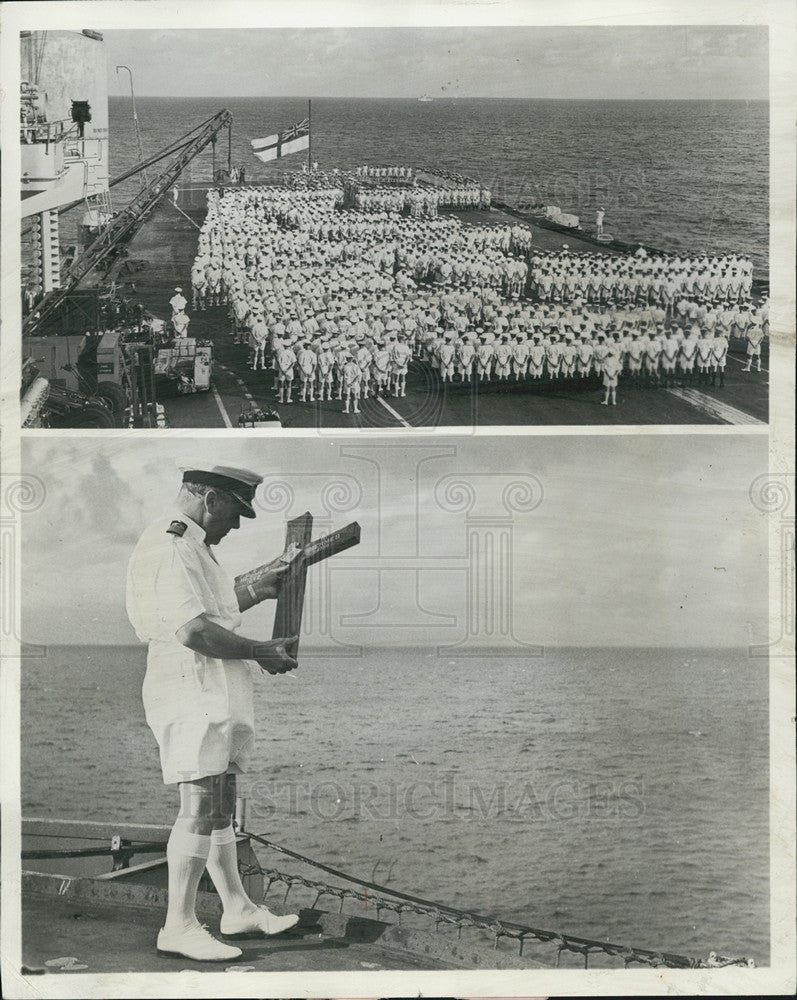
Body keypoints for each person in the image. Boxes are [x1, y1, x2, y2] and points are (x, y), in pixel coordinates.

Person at [126, 462, 302, 962]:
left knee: (220, 802)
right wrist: (260, 651)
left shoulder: (193, 547)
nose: (238, 524)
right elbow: (192, 632)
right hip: (191, 685)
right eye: (236, 512)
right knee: (200, 805)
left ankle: (238, 909)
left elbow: (211, 612)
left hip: (212, 685)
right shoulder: (173, 544)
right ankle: (178, 927)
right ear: (208, 499)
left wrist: (258, 587)